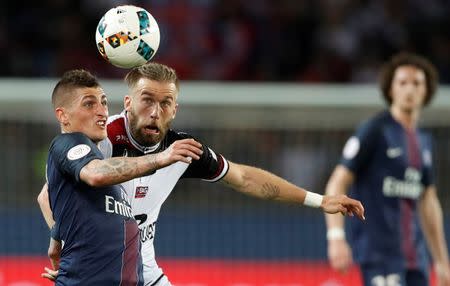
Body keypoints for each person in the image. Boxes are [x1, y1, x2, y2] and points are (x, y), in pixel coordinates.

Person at [39, 63, 365, 286]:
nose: (155, 111)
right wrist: (68, 244)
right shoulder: (102, 136)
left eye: (166, 103)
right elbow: (49, 194)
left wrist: (318, 200)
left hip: (144, 273)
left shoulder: (183, 148)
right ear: (127, 102)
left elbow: (244, 178)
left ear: (175, 109)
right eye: (147, 100)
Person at [38, 69, 204, 285]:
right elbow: (96, 174)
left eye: (104, 103)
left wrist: (57, 236)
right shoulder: (68, 143)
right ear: (63, 115)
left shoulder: (108, 166)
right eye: (89, 104)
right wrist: (160, 158)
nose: (102, 112)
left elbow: (45, 197)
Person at [324, 52, 450, 286]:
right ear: (391, 89)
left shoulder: (424, 141)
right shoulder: (374, 130)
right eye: (402, 82)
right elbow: (337, 182)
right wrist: (336, 237)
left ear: (427, 91)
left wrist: (442, 261)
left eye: (417, 83)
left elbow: (428, 200)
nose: (409, 89)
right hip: (379, 256)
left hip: (416, 259)